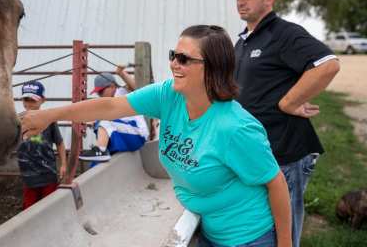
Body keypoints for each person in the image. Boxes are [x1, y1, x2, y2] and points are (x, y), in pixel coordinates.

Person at [21, 25, 292, 247]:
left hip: (250, 238)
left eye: (184, 59)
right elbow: (111, 106)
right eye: (174, 55)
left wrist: (285, 245)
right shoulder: (169, 95)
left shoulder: (235, 128)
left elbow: (276, 183)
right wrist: (52, 114)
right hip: (211, 230)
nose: (174, 63)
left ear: (212, 68)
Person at [226, 0, 340, 247]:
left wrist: (289, 102)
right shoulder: (243, 40)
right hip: (256, 152)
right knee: (262, 228)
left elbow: (328, 64)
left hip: (284, 153)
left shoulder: (284, 33)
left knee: (284, 234)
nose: (241, 1)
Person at [79, 67, 149, 162]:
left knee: (104, 120)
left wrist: (121, 73)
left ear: (112, 86)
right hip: (129, 134)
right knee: (95, 163)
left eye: (101, 91)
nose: (99, 95)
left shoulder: (123, 92)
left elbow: (138, 88)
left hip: (137, 135)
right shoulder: (107, 102)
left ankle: (101, 150)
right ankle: (101, 151)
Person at [17, 81, 67, 210]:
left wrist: (63, 164)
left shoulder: (49, 120)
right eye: (26, 100)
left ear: (43, 100)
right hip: (28, 176)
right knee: (29, 210)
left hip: (48, 173)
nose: (29, 104)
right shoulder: (17, 121)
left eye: (32, 100)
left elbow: (59, 143)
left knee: (50, 208)